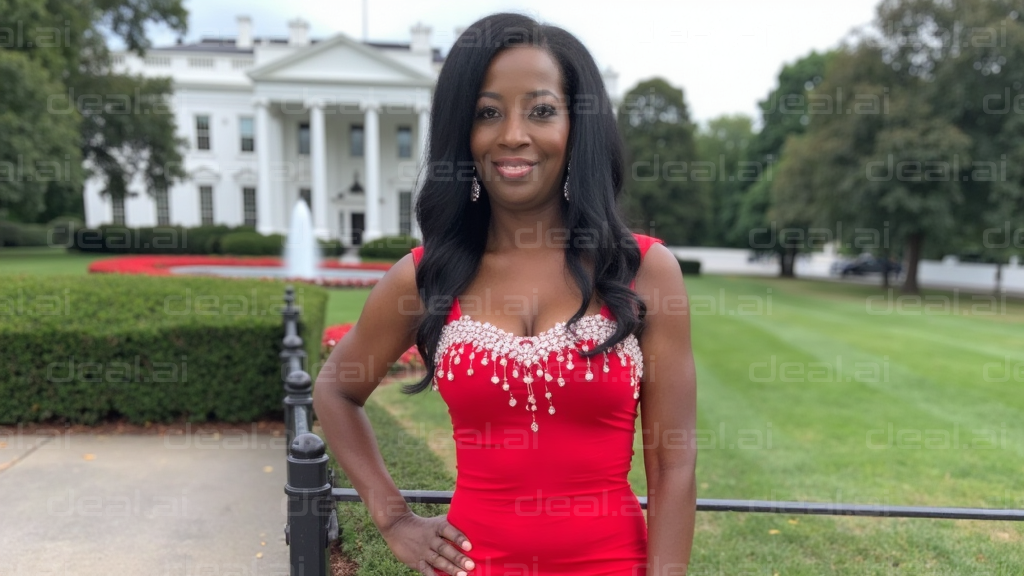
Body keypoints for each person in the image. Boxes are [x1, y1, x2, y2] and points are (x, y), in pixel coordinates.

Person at [312, 12, 697, 576]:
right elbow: (335, 392)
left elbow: (673, 462)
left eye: (541, 110)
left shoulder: (643, 270)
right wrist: (394, 520)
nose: (513, 134)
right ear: (462, 133)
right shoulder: (426, 278)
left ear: (575, 125)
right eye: (488, 113)